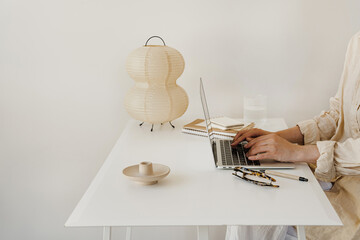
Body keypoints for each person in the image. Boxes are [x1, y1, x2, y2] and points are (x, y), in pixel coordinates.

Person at [229, 31, 360, 240]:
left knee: (265, 214)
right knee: (249, 199)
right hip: (333, 173)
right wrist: (277, 138)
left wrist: (296, 152)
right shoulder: (357, 43)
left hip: (354, 193)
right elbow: (337, 114)